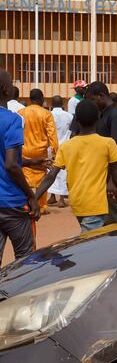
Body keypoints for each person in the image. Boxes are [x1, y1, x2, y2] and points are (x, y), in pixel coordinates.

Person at [35, 100, 117, 233]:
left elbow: (51, 176)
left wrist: (35, 198)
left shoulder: (66, 146)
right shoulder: (108, 143)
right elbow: (116, 175)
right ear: (98, 118)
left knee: (99, 237)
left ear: (77, 121)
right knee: (89, 243)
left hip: (77, 202)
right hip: (97, 203)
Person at [0, 70, 40, 263]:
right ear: (6, 90)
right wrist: (31, 195)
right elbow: (10, 165)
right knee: (25, 261)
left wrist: (29, 162)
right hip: (12, 202)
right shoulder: (12, 120)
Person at [85, 81, 117, 223]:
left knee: (114, 219)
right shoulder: (104, 114)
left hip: (111, 179)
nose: (92, 104)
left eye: (92, 99)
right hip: (103, 177)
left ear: (102, 95)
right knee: (105, 219)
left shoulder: (115, 116)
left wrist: (112, 181)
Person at [19, 89, 58, 215]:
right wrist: (55, 153)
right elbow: (52, 135)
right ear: (41, 98)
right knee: (42, 178)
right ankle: (40, 206)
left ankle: (24, 203)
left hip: (24, 150)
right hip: (39, 152)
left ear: (30, 99)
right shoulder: (46, 114)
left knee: (24, 176)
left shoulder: (20, 113)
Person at [48, 95, 73, 208]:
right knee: (63, 172)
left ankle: (52, 196)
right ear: (62, 104)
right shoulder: (69, 116)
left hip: (51, 147)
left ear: (52, 104)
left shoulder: (49, 115)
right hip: (65, 146)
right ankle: (61, 199)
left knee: (50, 170)